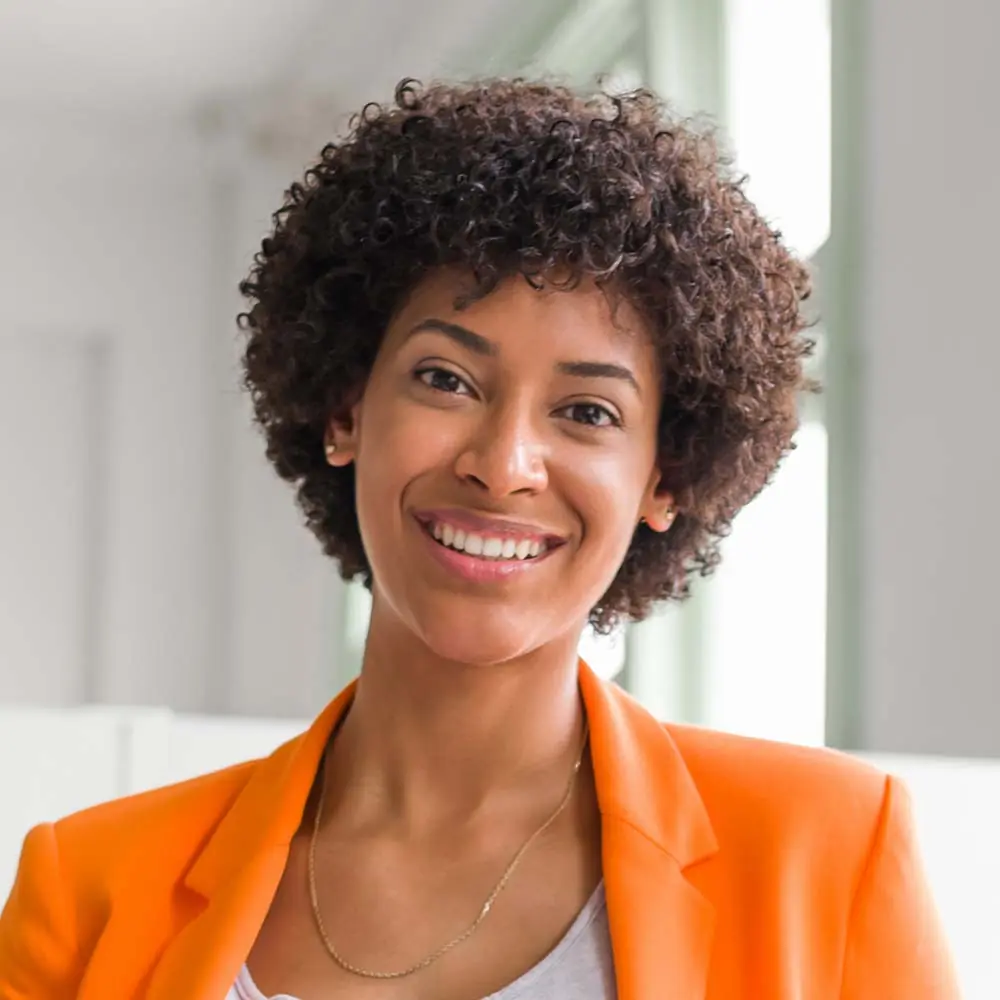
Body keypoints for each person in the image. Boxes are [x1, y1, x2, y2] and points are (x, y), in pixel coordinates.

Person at [0, 79, 958, 1000]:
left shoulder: (828, 852)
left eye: (586, 410)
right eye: (446, 381)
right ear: (346, 408)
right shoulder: (88, 886)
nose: (504, 465)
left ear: (664, 476)